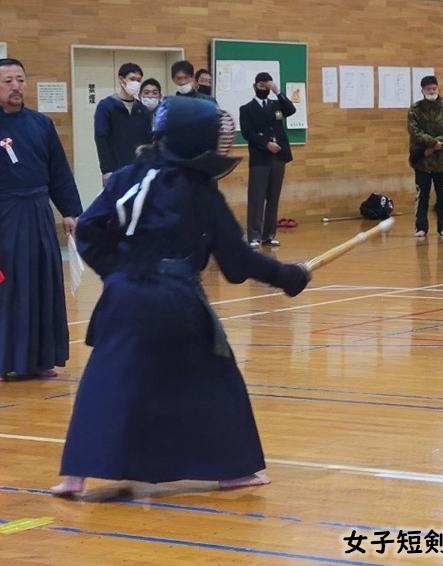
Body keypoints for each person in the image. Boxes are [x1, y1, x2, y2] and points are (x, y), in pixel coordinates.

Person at [50, 97, 310, 497]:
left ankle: (75, 477)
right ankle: (234, 469)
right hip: (175, 299)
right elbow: (237, 263)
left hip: (121, 298)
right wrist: (289, 276)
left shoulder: (124, 177)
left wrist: (118, 273)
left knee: (106, 381)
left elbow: (86, 230)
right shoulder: (198, 188)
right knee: (216, 380)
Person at [0, 58, 83, 382]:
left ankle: (41, 359)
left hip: (38, 213)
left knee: (42, 284)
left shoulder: (41, 124)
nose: (16, 87)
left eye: (21, 80)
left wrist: (70, 211)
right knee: (3, 289)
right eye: (8, 81)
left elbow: (58, 171)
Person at [239, 73, 295, 248]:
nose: (264, 89)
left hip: (279, 156)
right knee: (257, 197)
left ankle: (269, 235)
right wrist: (265, 144)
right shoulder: (246, 108)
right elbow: (247, 133)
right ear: (255, 86)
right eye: (261, 85)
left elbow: (291, 110)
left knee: (273, 197)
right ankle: (254, 236)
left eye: (267, 85)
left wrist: (277, 91)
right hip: (260, 158)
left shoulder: (276, 105)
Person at [408, 75, 443, 238]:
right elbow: (414, 131)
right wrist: (431, 143)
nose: (431, 91)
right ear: (422, 90)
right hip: (422, 161)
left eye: (434, 88)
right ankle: (420, 227)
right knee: (422, 197)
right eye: (428, 88)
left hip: (441, 161)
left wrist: (437, 145)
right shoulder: (415, 109)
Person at [94, 63, 153, 185]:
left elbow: (148, 141)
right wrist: (106, 169)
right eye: (132, 79)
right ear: (121, 80)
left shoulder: (143, 110)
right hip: (115, 170)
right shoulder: (107, 106)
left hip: (139, 170)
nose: (136, 83)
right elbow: (101, 138)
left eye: (138, 80)